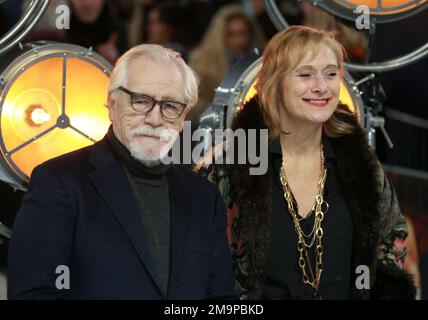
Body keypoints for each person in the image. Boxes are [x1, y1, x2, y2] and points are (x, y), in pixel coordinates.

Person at [196, 25, 415, 299]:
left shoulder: (360, 162)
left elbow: (390, 242)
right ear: (275, 84)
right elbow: (202, 265)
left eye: (331, 74)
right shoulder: (232, 165)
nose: (321, 87)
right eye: (306, 74)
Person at [8, 44, 236, 300]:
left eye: (170, 106)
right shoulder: (58, 182)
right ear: (112, 103)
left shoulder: (204, 196)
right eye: (141, 101)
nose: (155, 118)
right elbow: (32, 294)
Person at [188, 4, 265, 128]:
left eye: (243, 33)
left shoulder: (262, 62)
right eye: (231, 34)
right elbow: (193, 102)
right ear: (221, 35)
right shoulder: (202, 64)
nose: (238, 40)